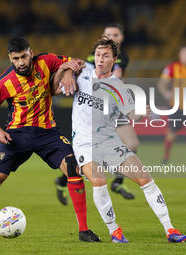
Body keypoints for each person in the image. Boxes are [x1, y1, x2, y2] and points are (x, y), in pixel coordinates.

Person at [0, 37, 100, 242]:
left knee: (72, 166)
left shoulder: (45, 61)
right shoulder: (4, 82)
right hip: (16, 136)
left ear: (31, 53)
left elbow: (79, 61)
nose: (21, 62)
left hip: (48, 132)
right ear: (10, 58)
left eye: (24, 56)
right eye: (16, 58)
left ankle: (84, 230)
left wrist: (68, 72)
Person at [53, 36, 186, 243]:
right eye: (98, 55)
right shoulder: (82, 73)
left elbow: (131, 115)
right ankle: (114, 230)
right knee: (98, 180)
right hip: (84, 143)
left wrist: (140, 113)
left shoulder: (118, 87)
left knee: (146, 180)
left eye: (105, 56)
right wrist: (67, 72)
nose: (100, 59)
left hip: (109, 141)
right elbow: (54, 86)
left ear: (114, 59)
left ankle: (170, 230)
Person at [55, 23, 136, 205]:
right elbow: (81, 70)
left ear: (121, 38)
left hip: (112, 105)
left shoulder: (123, 57)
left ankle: (117, 181)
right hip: (95, 107)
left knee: (131, 142)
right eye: (108, 35)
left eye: (115, 34)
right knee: (85, 158)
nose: (112, 38)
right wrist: (68, 72)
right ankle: (64, 180)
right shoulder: (95, 57)